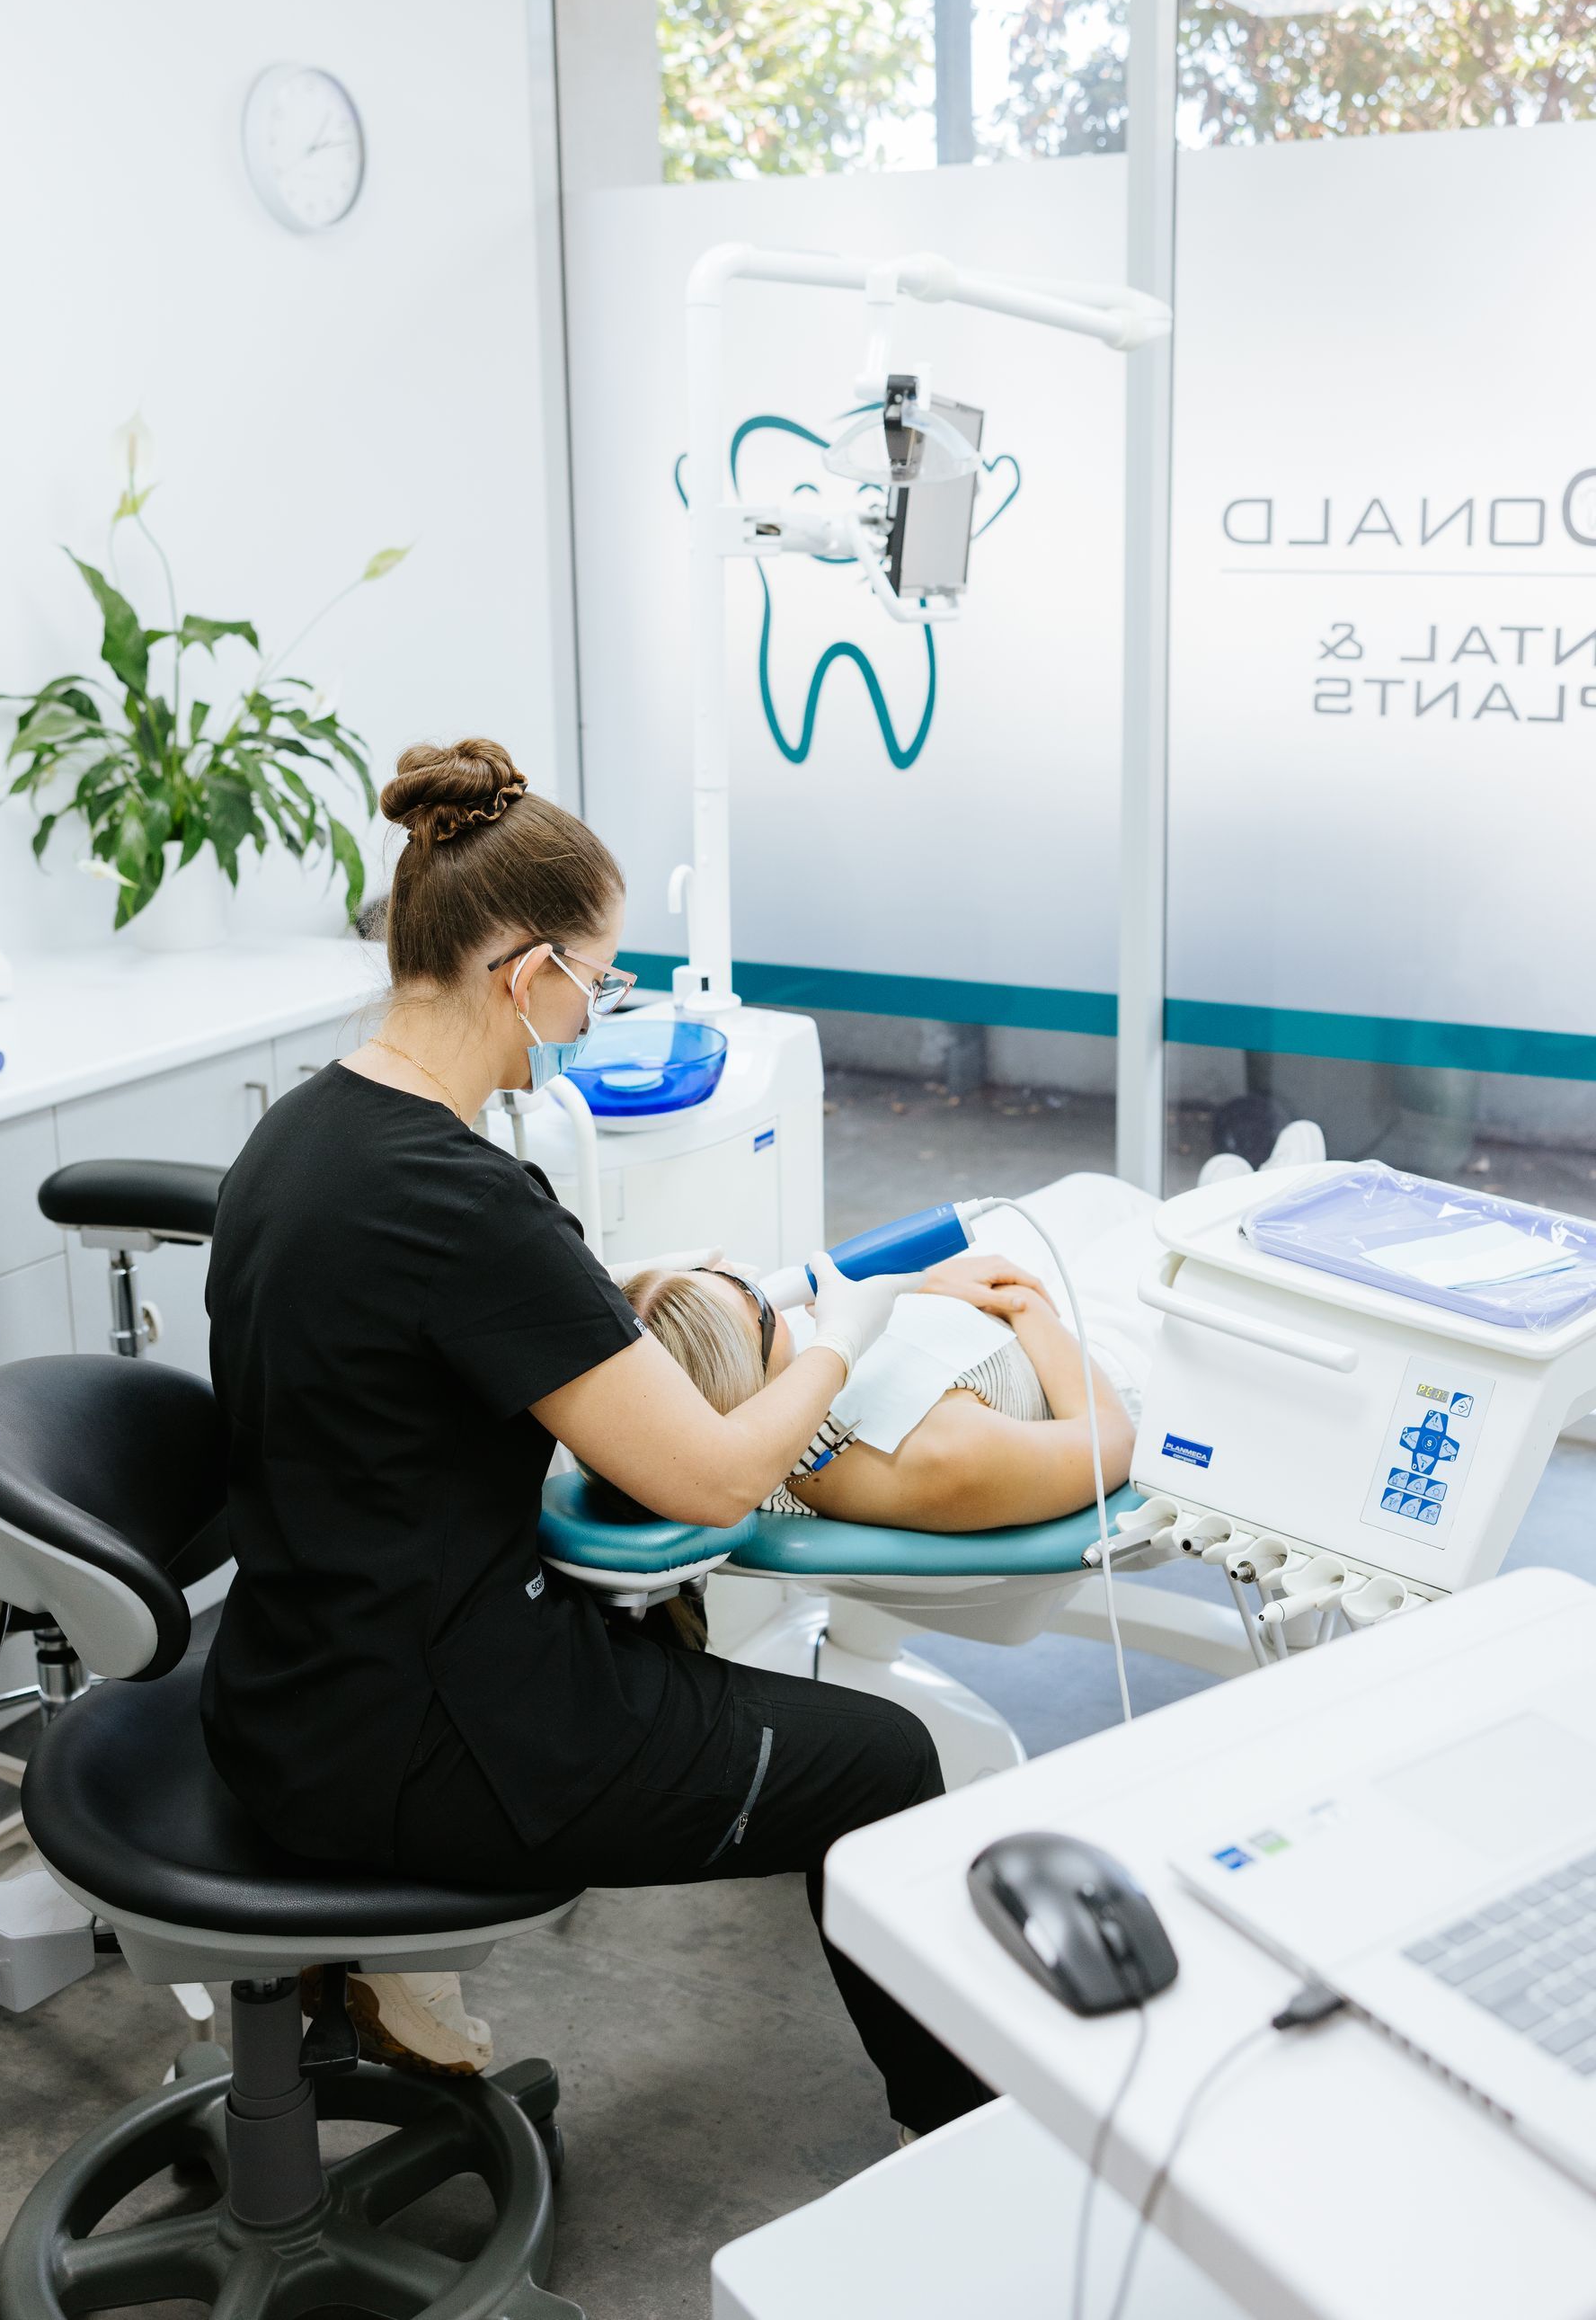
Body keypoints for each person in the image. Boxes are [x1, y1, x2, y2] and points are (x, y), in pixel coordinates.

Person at [201, 734, 990, 2137]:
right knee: (884, 1762)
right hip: (433, 1741)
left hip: (286, 1690)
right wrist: (839, 1339)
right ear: (526, 969)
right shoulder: (469, 1200)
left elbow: (427, 1371)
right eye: (600, 974)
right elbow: (718, 1473)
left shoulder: (299, 1135)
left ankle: (379, 1972)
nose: (599, 1004)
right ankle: (964, 2143)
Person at [622, 1249, 1138, 1534]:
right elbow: (1112, 1441)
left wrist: (919, 1285)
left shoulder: (771, 1373)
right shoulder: (936, 1454)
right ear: (746, 1381)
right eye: (751, 1294)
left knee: (1093, 1193)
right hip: (1104, 1358)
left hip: (1008, 1319)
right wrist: (1027, 1307)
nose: (746, 1271)